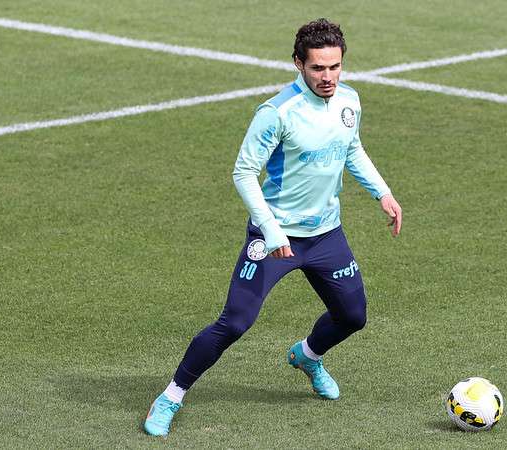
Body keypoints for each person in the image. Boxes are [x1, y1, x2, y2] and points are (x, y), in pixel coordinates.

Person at [144, 18, 403, 437]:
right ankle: (171, 395)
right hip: (274, 237)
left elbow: (351, 148)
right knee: (235, 322)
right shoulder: (277, 112)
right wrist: (272, 230)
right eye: (318, 68)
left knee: (353, 316)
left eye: (335, 67)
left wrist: (383, 193)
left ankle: (307, 355)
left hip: (326, 235)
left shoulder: (349, 101)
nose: (328, 77)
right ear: (298, 63)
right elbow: (244, 173)